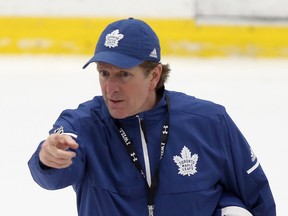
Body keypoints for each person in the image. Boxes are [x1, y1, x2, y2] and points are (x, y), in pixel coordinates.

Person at [28, 17, 276, 216]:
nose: (110, 87)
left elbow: (255, 195)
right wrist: (47, 158)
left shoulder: (209, 121)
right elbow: (53, 173)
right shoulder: (84, 124)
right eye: (104, 73)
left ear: (154, 75)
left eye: (123, 75)